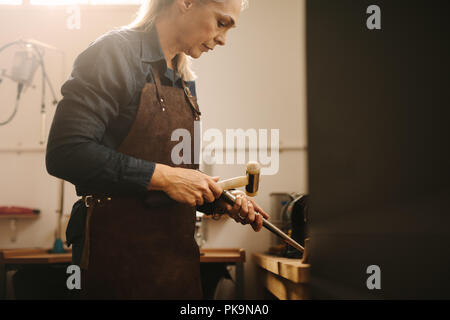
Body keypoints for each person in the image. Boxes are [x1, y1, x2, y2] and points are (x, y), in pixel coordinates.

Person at [46, 0, 269, 299]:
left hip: (176, 266)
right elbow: (66, 152)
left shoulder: (184, 79)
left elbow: (180, 178)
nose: (223, 39)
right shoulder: (114, 53)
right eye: (221, 22)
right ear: (186, 3)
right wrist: (166, 177)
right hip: (114, 259)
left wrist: (220, 201)